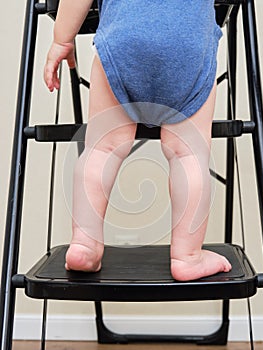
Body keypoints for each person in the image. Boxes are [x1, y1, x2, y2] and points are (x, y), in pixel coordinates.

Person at [44, 0, 232, 281]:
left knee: (102, 149)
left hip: (124, 43)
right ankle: (188, 256)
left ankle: (85, 244)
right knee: (188, 156)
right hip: (188, 44)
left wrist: (62, 40)